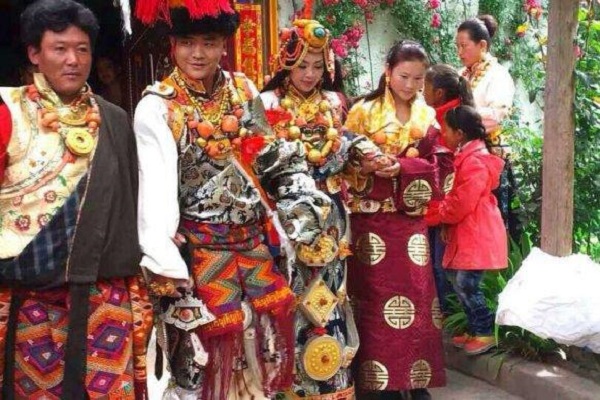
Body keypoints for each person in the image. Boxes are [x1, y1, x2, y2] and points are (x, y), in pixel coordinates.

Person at [133, 2, 331, 399]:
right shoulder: (158, 107)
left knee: (263, 351)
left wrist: (301, 204)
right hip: (197, 256)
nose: (198, 53)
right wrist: (162, 256)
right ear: (172, 45)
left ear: (224, 44)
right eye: (187, 42)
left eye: (209, 42)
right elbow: (154, 191)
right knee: (198, 365)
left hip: (256, 248)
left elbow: (271, 156)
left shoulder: (242, 91)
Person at [0, 0, 152, 398]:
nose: (73, 60)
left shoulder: (115, 119)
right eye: (59, 48)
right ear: (35, 53)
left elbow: (131, 204)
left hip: (106, 298)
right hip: (31, 298)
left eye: (82, 49)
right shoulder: (8, 114)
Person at [260, 18, 381, 398]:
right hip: (287, 217)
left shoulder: (334, 104)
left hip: (330, 216)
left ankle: (331, 383)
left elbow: (343, 156)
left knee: (331, 295)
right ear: (285, 63)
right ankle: (288, 384)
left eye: (317, 65)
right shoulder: (267, 105)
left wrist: (360, 154)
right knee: (290, 295)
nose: (309, 74)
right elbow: (258, 164)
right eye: (301, 66)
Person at [344, 41, 446, 400]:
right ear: (387, 72)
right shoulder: (362, 112)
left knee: (418, 302)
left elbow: (440, 167)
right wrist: (368, 165)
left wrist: (402, 166)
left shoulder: (427, 116)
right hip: (371, 224)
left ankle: (414, 380)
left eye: (418, 78)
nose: (411, 85)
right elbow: (342, 163)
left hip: (410, 224)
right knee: (373, 301)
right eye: (404, 76)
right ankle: (376, 385)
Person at [425, 105, 507, 355]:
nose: (443, 134)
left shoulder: (474, 162)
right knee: (461, 281)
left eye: (446, 130)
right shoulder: (471, 157)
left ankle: (484, 330)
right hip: (471, 229)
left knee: (466, 283)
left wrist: (435, 212)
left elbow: (462, 202)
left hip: (476, 230)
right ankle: (476, 328)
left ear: (459, 133)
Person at [456, 15, 518, 240]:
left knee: (486, 219)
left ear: (482, 45)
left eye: (464, 46)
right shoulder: (461, 74)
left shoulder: (497, 75)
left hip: (487, 155)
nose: (460, 52)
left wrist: (460, 118)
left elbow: (495, 116)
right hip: (462, 155)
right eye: (458, 46)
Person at [422, 64, 474, 317]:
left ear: (439, 93)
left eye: (425, 88)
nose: (421, 93)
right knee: (438, 262)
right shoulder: (448, 114)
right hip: (443, 203)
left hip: (447, 204)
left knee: (442, 264)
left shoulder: (447, 120)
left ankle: (449, 316)